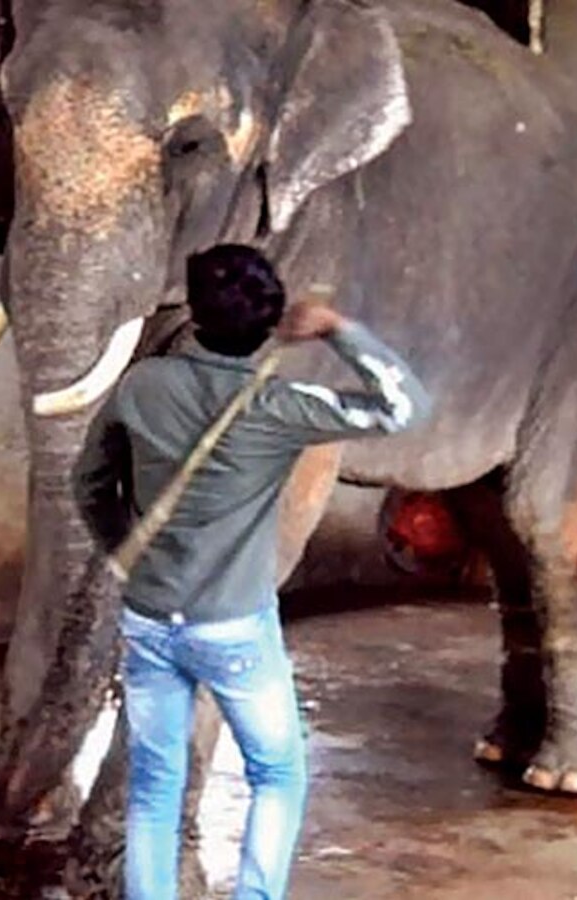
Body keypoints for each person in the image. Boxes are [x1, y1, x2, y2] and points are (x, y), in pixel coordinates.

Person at [73, 243, 432, 900]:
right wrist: (337, 329)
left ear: (195, 315)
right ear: (268, 324)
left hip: (150, 618)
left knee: (155, 781)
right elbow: (404, 404)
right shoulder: (282, 405)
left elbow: (89, 482)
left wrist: (129, 552)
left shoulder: (140, 386)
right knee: (277, 773)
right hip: (234, 627)